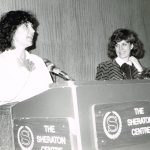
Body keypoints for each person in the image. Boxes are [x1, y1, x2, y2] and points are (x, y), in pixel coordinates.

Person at [0, 10, 53, 105]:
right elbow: (4, 95)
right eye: (26, 26)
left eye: (32, 27)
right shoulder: (2, 61)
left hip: (39, 114)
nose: (33, 31)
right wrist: (25, 71)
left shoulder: (37, 60)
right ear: (11, 29)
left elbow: (48, 93)